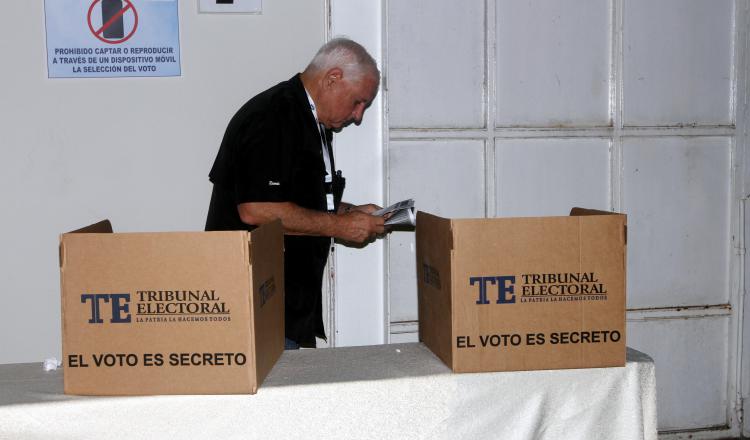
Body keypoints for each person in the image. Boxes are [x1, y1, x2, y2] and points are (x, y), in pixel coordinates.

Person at [205, 38, 385, 349]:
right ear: (332, 78)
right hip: (255, 308)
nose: (358, 116)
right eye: (358, 102)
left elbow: (296, 199)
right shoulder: (273, 117)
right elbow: (256, 209)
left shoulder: (309, 120)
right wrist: (342, 226)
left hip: (281, 307)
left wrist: (349, 211)